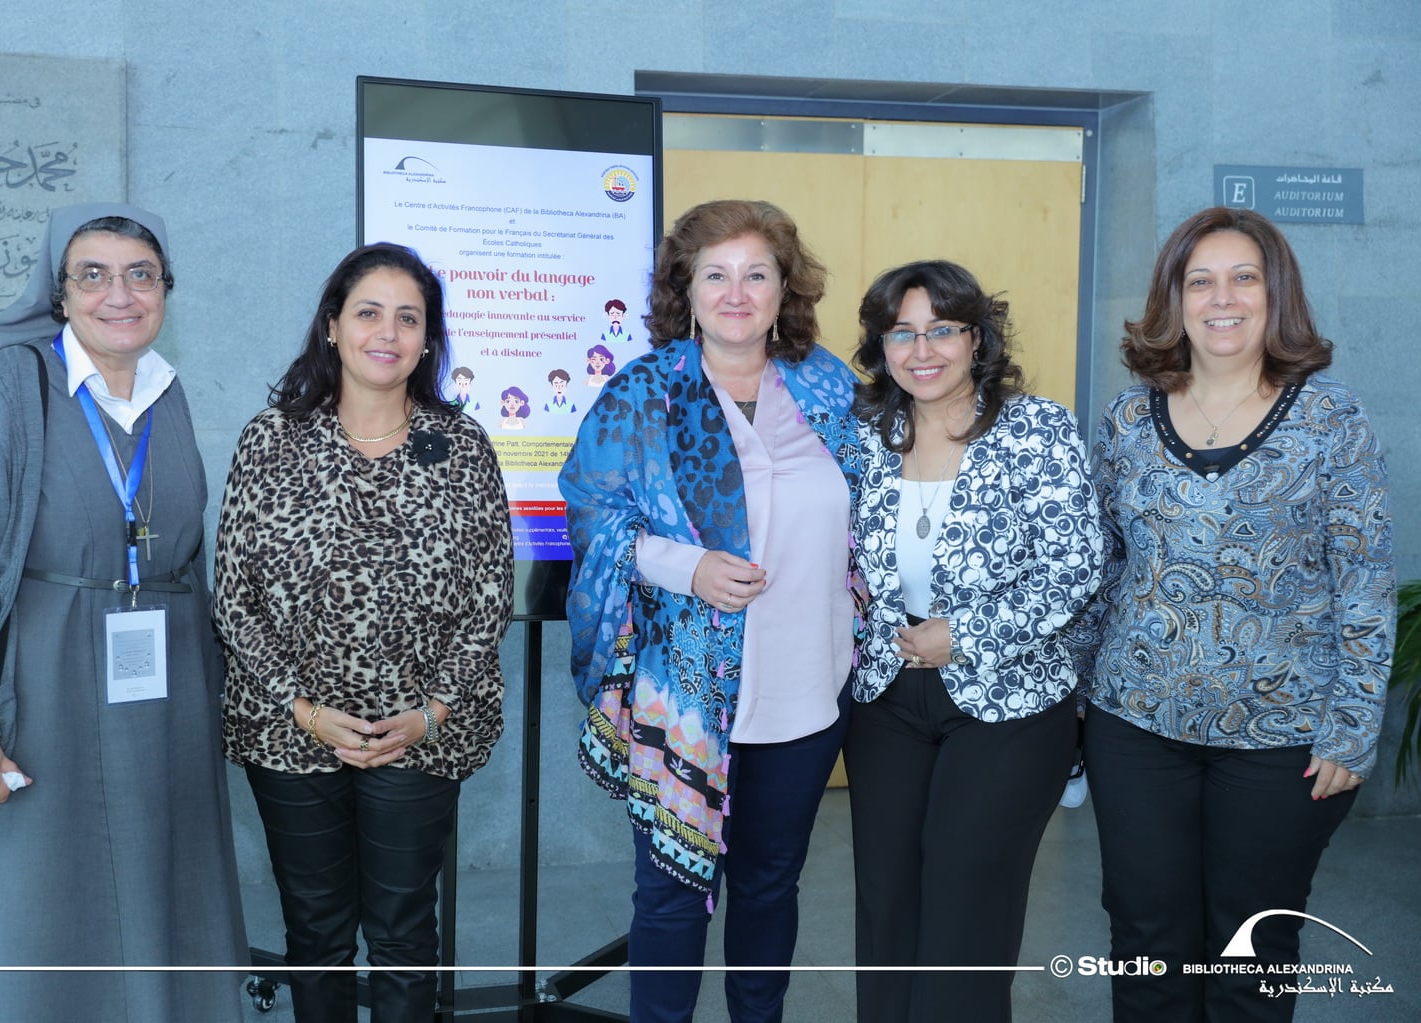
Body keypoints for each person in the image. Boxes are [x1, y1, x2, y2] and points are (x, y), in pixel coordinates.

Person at [0, 202, 248, 1020]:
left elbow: (188, 556)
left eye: (140, 274)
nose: (118, 294)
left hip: (164, 704)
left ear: (165, 288)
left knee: (167, 901)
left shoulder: (169, 392)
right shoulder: (11, 385)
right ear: (58, 292)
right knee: (41, 909)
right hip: (41, 702)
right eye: (92, 275)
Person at [1072, 207, 1393, 1022]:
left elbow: (1363, 580)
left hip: (1282, 740)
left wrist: (1353, 725)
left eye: (1243, 277)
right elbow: (1102, 569)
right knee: (1144, 942)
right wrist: (1073, 705)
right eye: (1200, 280)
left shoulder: (1331, 420)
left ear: (1273, 293)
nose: (1222, 298)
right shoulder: (1126, 420)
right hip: (1134, 727)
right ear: (1173, 299)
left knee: (1251, 953)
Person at [559, 199, 862, 1023]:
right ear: (684, 290)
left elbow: (876, 510)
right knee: (670, 894)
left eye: (755, 274)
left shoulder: (829, 385)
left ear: (784, 289)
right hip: (685, 697)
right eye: (715, 275)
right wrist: (685, 566)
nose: (736, 293)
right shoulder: (643, 393)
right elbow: (590, 511)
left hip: (807, 692)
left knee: (769, 886)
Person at [213, 242, 513, 1023]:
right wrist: (304, 707)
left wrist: (431, 710)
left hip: (418, 732)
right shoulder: (270, 439)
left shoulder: (461, 445)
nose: (388, 332)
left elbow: (489, 596)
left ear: (427, 339)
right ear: (332, 326)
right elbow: (234, 597)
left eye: (408, 318)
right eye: (368, 312)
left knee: (404, 935)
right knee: (315, 933)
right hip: (290, 731)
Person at [846, 260, 1102, 1022]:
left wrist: (964, 635)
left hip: (1009, 700)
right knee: (886, 903)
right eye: (900, 333)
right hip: (884, 697)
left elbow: (1075, 565)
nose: (920, 350)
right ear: (880, 346)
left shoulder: (1035, 428)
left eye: (941, 330)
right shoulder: (864, 433)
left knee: (966, 904)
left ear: (977, 338)